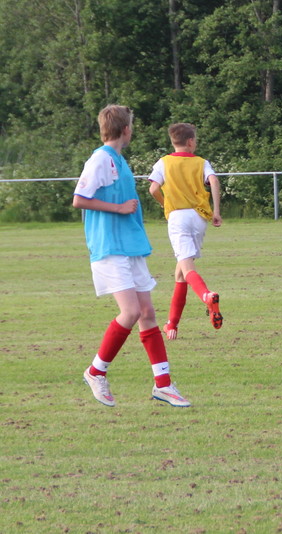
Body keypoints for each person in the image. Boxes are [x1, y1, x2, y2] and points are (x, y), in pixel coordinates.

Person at [73, 104, 190, 408]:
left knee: (147, 313)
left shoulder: (118, 159)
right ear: (126, 129)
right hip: (109, 247)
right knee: (131, 312)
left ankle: (163, 385)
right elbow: (79, 199)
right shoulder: (100, 159)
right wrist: (119, 208)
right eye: (132, 126)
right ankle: (95, 372)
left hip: (129, 246)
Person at [148, 122, 223, 340]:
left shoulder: (164, 162)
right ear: (190, 142)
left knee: (187, 267)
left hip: (178, 217)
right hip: (199, 217)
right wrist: (216, 211)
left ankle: (206, 295)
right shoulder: (201, 162)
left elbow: (153, 188)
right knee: (180, 272)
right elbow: (214, 181)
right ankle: (172, 324)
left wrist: (165, 204)